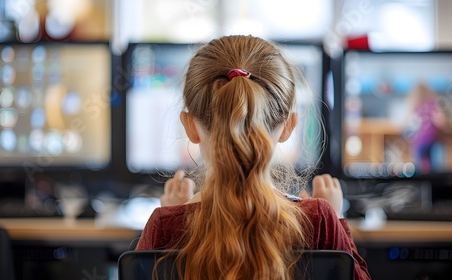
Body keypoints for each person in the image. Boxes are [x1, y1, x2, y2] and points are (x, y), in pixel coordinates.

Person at [136, 35, 371, 280]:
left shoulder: (164, 226)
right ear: (289, 126)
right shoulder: (319, 219)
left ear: (189, 126)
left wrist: (174, 217)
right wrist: (337, 217)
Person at [403, 82, 447, 174]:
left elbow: (407, 125)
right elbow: (441, 121)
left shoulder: (414, 105)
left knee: (420, 169)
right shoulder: (433, 104)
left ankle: (423, 181)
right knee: (435, 169)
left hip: (419, 141)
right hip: (431, 139)